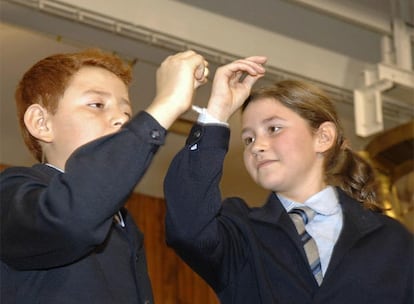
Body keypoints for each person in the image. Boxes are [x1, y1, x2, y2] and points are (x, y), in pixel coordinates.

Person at [163, 57, 413, 303]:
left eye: (274, 129)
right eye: (248, 138)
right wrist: (217, 112)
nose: (257, 146)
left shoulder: (390, 238)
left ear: (323, 137)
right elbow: (187, 228)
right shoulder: (241, 231)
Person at [0, 48, 209, 303]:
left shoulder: (123, 223)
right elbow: (70, 219)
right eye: (97, 105)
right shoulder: (11, 194)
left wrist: (217, 115)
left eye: (127, 114)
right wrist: (166, 104)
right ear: (41, 123)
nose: (121, 121)